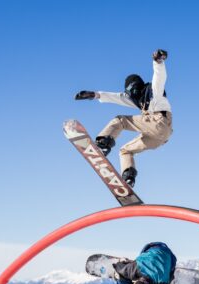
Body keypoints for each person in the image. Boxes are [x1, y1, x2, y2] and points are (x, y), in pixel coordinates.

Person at [74, 49, 172, 188]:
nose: (132, 97)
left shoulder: (153, 91)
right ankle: (128, 179)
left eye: (132, 92)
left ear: (135, 87)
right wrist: (95, 95)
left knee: (120, 120)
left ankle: (103, 145)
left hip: (158, 121)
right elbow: (118, 97)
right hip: (160, 137)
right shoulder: (138, 99)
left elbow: (159, 77)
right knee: (125, 151)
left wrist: (158, 61)